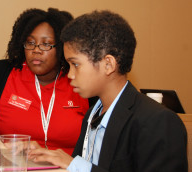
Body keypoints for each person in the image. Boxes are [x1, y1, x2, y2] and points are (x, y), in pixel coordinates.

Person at [28, 10, 188, 171]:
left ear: (108, 64)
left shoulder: (158, 122)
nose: (70, 74)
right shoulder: (92, 114)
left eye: (75, 64)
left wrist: (74, 164)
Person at [0, 8, 93, 155]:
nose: (36, 50)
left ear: (63, 47)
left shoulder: (81, 81)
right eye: (30, 42)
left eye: (46, 44)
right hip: (12, 164)